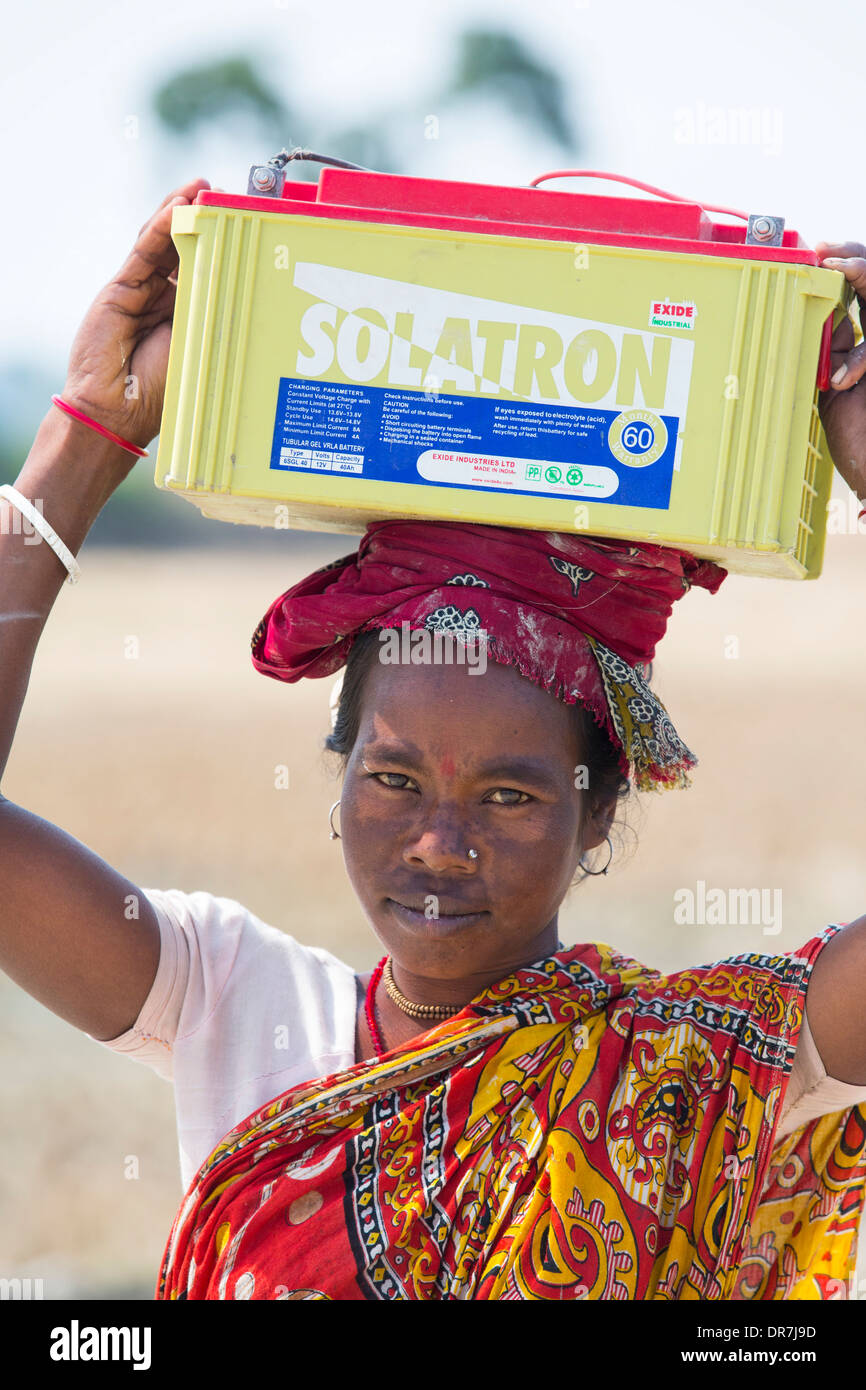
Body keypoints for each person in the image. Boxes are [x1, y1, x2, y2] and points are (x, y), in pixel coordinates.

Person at [2, 178, 866, 1302]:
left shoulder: (694, 1064)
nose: (438, 844)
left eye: (507, 795)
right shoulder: (230, 1001)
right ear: (341, 767)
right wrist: (85, 438)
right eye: (395, 778)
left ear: (598, 806)